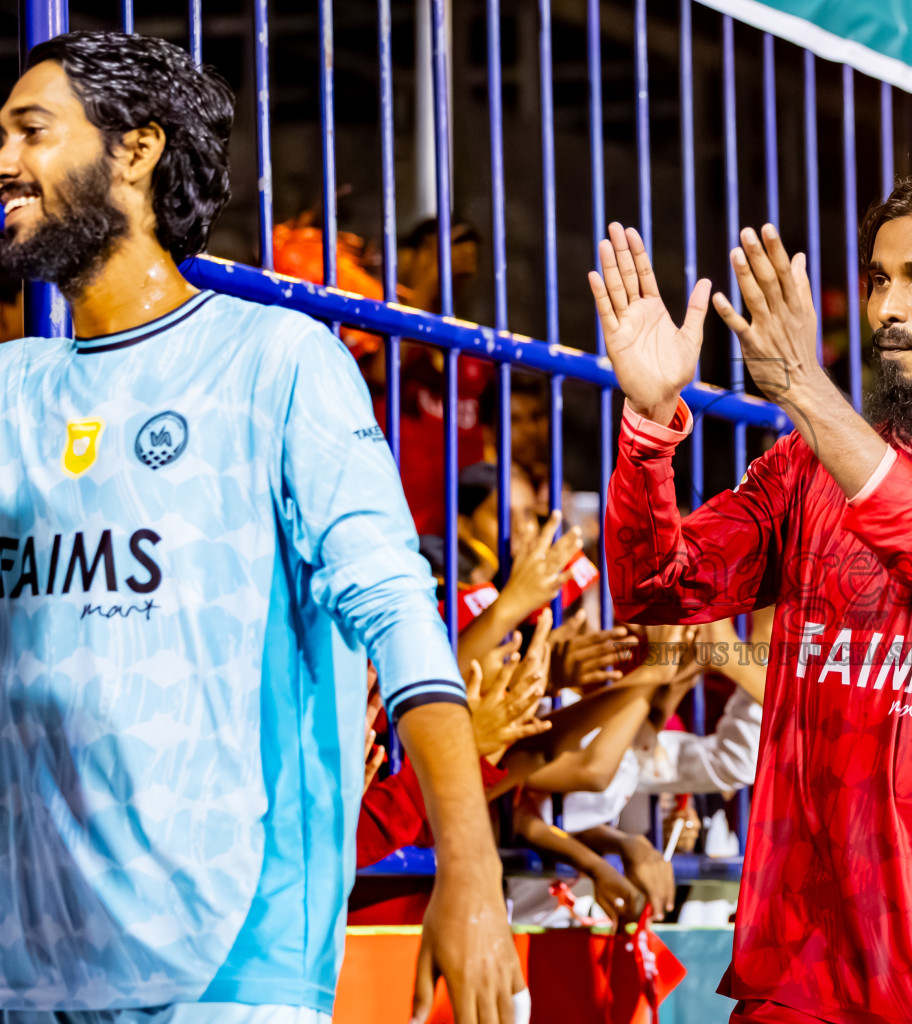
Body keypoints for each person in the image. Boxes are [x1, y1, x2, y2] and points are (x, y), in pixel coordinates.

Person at [0, 32, 519, 1024]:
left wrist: (471, 867)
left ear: (136, 150)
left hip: (231, 972)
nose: (4, 159)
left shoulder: (275, 362)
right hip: (30, 978)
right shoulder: (12, 393)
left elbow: (398, 611)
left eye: (34, 130)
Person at [595, 162, 912, 1023]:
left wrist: (806, 392)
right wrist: (651, 426)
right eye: (879, 280)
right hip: (803, 967)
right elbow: (662, 585)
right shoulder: (807, 466)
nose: (887, 309)